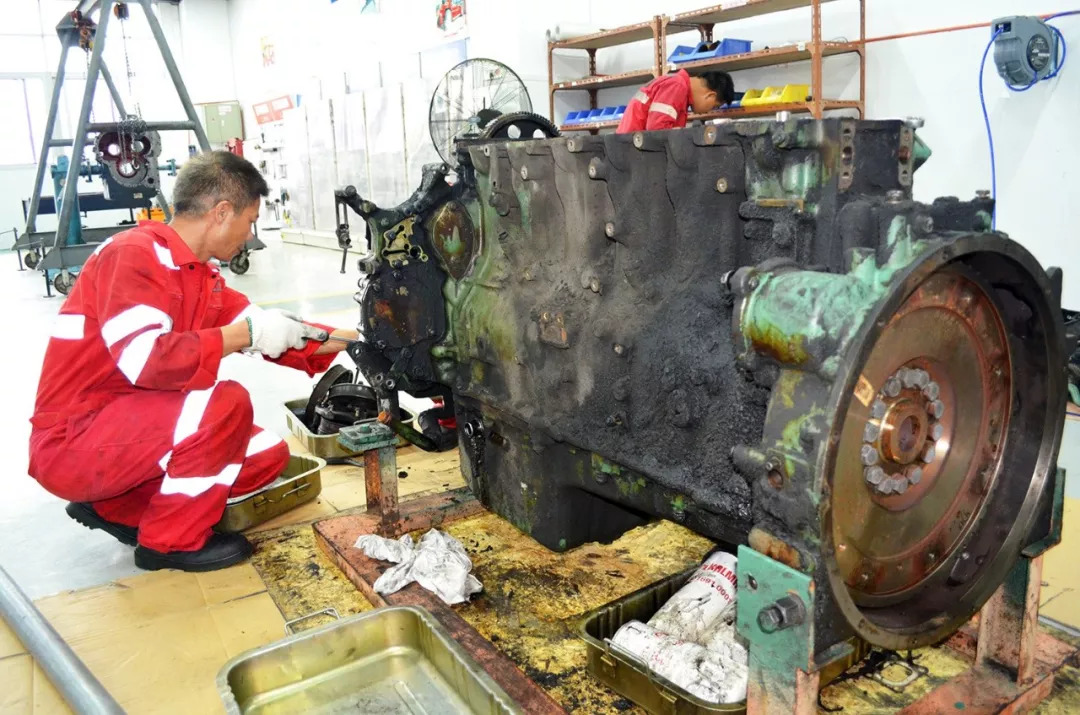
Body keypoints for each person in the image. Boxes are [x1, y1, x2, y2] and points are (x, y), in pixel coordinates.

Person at [28, 151, 360, 572]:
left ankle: (116, 507)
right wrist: (245, 335)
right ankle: (168, 543)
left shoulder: (197, 277)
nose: (250, 234)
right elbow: (147, 359)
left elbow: (279, 334)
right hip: (77, 439)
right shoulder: (132, 256)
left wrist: (361, 338)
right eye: (250, 221)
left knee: (266, 456)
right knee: (225, 405)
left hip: (133, 431)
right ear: (222, 212)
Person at [616, 69, 735, 134]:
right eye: (714, 106)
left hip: (631, 147)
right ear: (710, 95)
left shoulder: (679, 89)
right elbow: (656, 130)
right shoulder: (677, 86)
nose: (709, 111)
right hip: (631, 150)